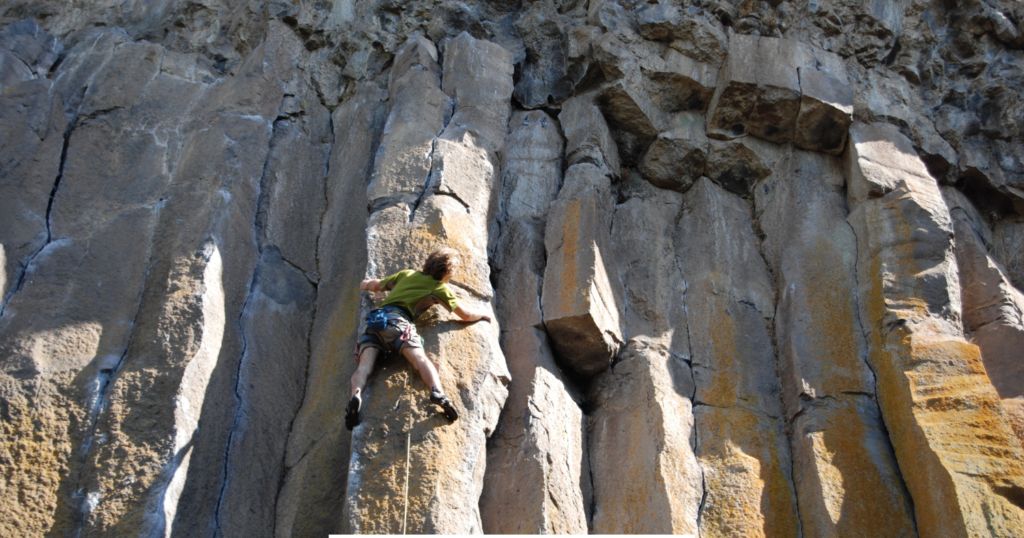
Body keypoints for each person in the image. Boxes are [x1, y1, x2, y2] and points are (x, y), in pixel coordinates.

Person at [346, 247, 491, 430]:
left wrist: (365, 284)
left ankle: (356, 395)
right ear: (447, 273)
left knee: (364, 367)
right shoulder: (438, 287)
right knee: (420, 359)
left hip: (375, 322)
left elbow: (376, 286)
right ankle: (437, 392)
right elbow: (466, 315)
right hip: (399, 323)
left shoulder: (407, 274)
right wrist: (483, 315)